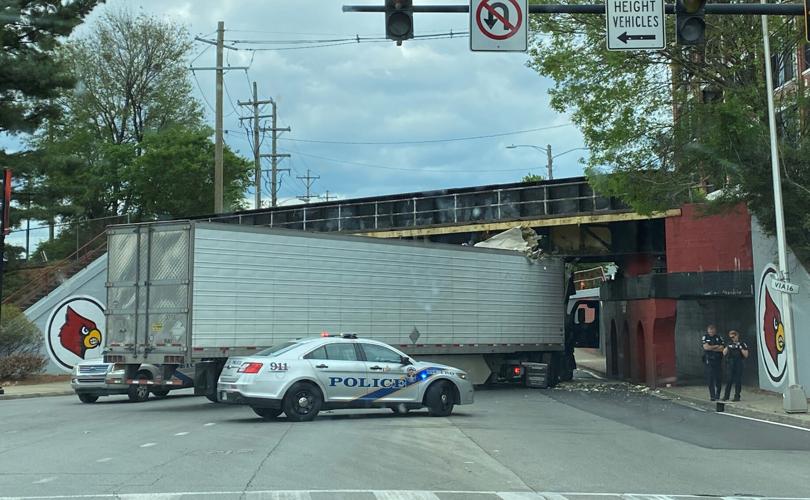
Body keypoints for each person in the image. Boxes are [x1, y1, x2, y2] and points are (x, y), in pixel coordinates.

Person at [722, 330, 749, 401]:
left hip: (739, 363)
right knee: (729, 380)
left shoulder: (742, 344)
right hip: (731, 363)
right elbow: (724, 353)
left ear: (737, 336)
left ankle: (737, 396)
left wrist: (740, 347)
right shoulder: (729, 343)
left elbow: (746, 355)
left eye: (733, 337)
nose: (732, 339)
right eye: (731, 337)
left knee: (738, 380)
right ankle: (726, 396)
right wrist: (728, 346)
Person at [701, 324, 725, 401]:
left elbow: (722, 349)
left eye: (712, 330)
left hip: (718, 360)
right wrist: (716, 346)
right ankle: (712, 395)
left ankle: (718, 394)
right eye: (709, 330)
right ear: (708, 331)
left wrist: (711, 347)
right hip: (709, 360)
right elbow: (706, 347)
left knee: (719, 378)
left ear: (715, 330)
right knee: (710, 378)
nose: (711, 332)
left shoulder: (719, 337)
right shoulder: (705, 337)